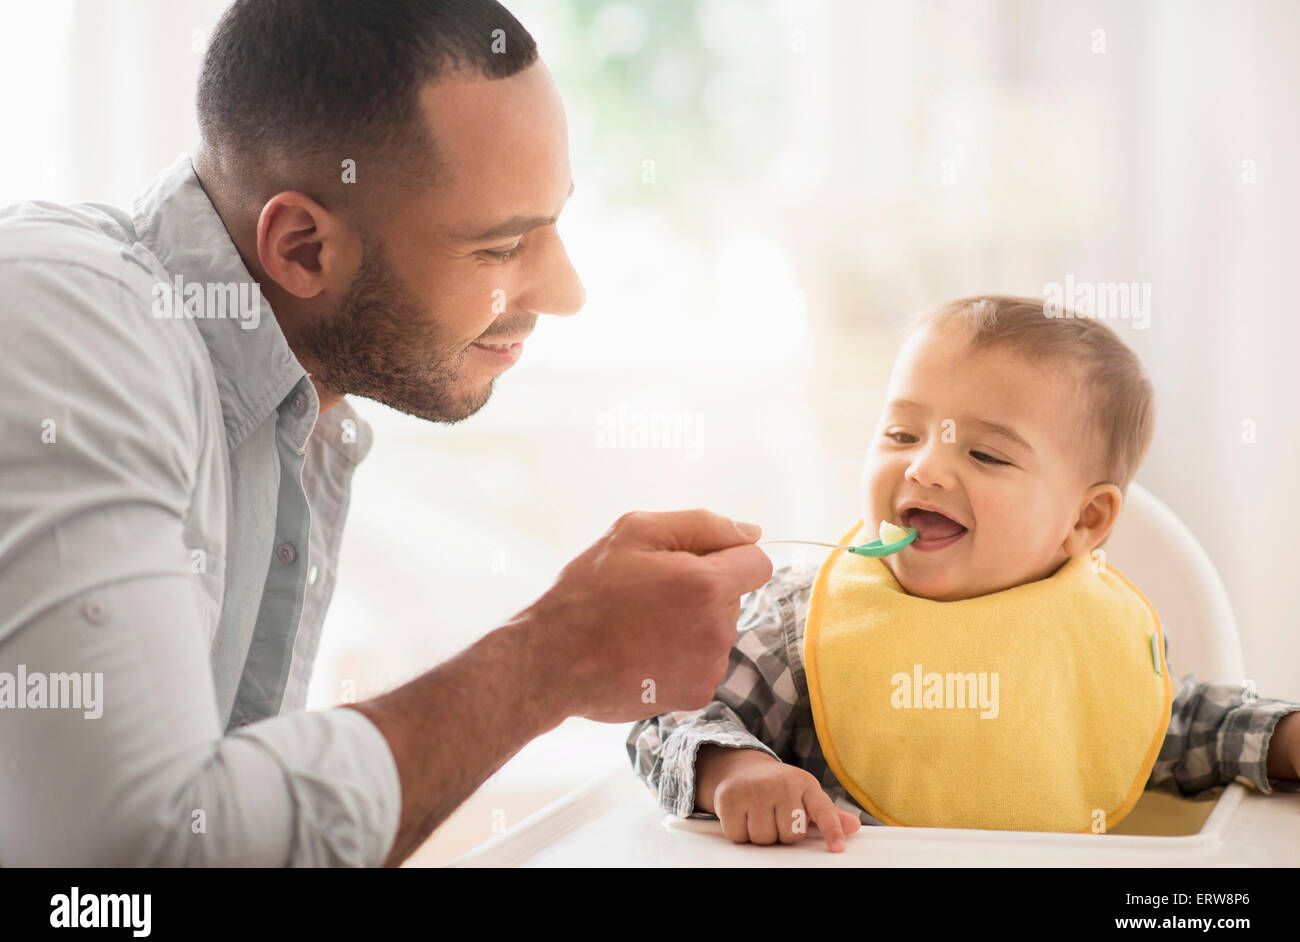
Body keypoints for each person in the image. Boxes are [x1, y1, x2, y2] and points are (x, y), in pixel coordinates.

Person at [0, 0, 771, 866]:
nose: (566, 292)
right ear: (301, 248)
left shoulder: (295, 408)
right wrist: (553, 656)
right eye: (502, 247)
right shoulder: (68, 328)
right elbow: (129, 858)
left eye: (552, 222)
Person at [629, 296, 1300, 851]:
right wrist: (732, 768)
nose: (923, 468)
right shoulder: (802, 618)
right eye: (900, 435)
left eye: (984, 453)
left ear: (1086, 521)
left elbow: (1177, 729)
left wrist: (1281, 740)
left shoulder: (1090, 638)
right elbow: (668, 708)